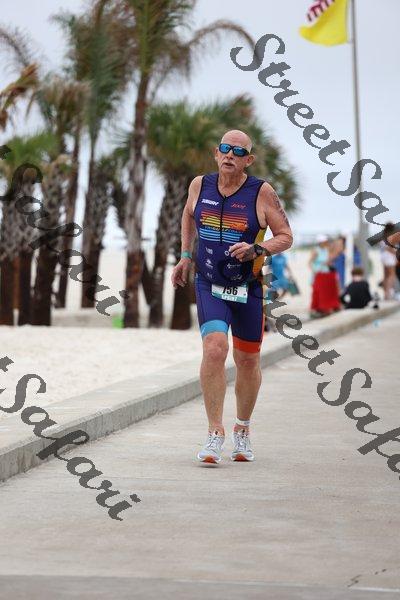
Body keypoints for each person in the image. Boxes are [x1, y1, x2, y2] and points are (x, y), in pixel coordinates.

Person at [171, 129, 293, 464]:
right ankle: (215, 432)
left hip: (247, 287)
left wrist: (258, 248)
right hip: (208, 283)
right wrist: (185, 255)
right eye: (225, 149)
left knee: (248, 360)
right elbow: (188, 214)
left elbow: (285, 235)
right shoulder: (200, 185)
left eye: (238, 152)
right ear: (216, 153)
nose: (230, 155)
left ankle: (243, 428)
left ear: (248, 160)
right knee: (214, 349)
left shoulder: (261, 192)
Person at [309, 235, 341, 317]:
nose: (326, 243)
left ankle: (325, 308)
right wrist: (315, 271)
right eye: (325, 242)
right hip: (318, 274)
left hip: (326, 273)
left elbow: (330, 259)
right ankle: (316, 309)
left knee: (325, 292)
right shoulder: (316, 251)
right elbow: (310, 262)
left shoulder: (326, 250)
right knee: (318, 292)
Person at [379, 222, 397, 300]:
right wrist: (395, 254)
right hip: (389, 256)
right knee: (391, 275)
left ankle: (385, 294)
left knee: (386, 276)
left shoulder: (383, 236)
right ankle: (388, 294)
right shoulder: (390, 235)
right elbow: (389, 248)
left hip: (383, 255)